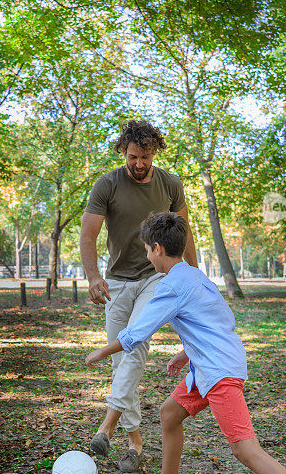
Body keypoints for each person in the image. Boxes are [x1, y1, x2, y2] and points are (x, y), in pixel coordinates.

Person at [86, 212, 286, 474]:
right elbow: (221, 321)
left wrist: (101, 352)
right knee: (169, 414)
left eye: (147, 250)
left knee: (245, 450)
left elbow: (136, 333)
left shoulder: (171, 285)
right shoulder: (197, 276)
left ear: (157, 249)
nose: (147, 256)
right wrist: (187, 353)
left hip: (219, 372)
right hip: (209, 366)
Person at [80, 120, 197, 472]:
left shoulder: (170, 184)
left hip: (154, 276)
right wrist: (93, 276)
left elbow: (185, 232)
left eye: (145, 157)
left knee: (136, 341)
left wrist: (192, 274)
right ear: (123, 151)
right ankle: (135, 444)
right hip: (115, 281)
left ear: (154, 152)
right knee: (121, 364)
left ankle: (106, 427)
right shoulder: (107, 184)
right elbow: (88, 235)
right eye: (133, 156)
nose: (139, 164)